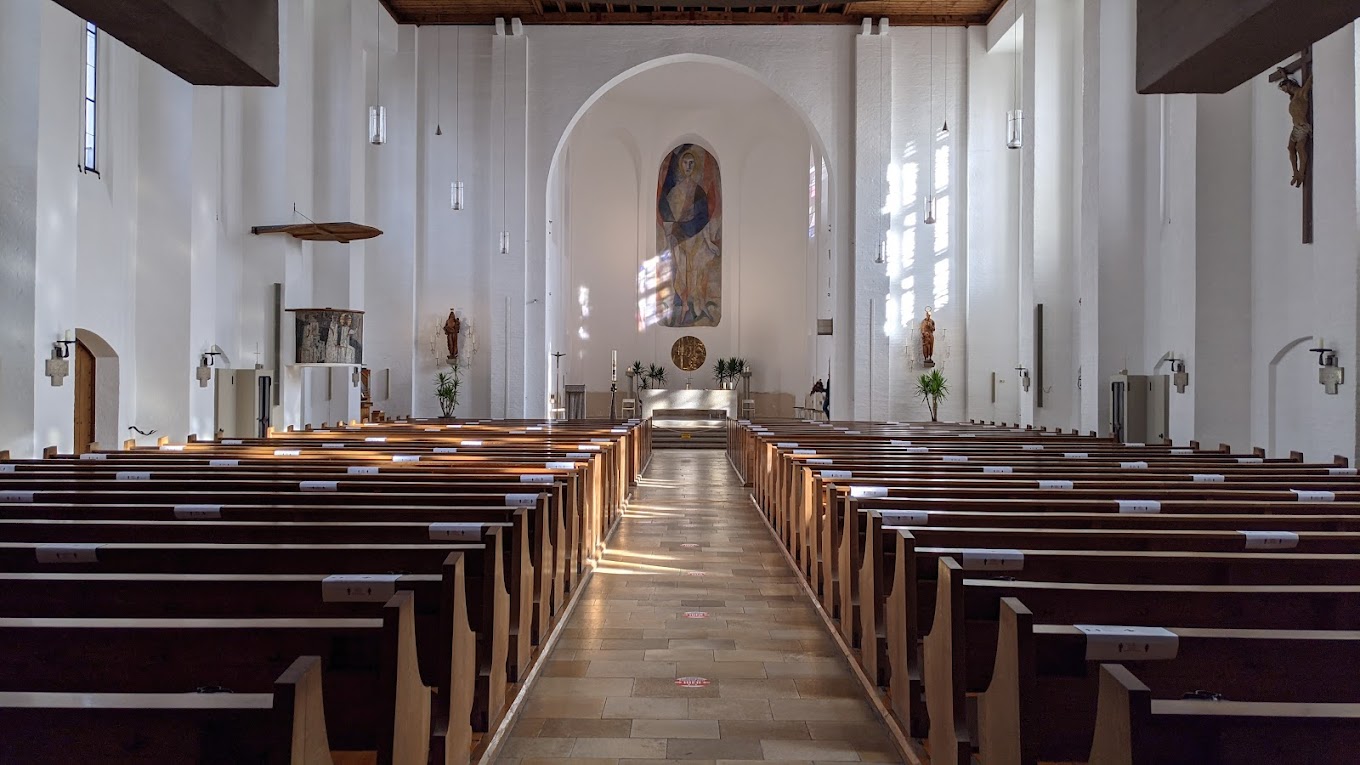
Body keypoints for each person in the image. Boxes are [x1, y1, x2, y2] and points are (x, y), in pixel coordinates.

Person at [1276, 68, 1313, 188]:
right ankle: (1295, 172)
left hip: (1302, 126)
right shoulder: (1293, 97)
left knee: (1300, 147)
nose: (1286, 92)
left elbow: (1310, 80)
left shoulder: (1302, 94)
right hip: (1295, 127)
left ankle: (1301, 173)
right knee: (1290, 147)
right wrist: (1284, 76)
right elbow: (1287, 83)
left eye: (1285, 89)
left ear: (1290, 86)